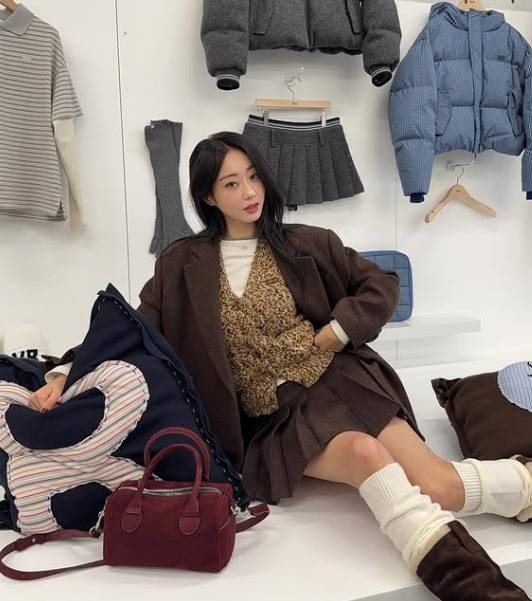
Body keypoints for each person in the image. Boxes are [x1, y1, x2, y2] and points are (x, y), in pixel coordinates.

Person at [36, 132, 531, 600]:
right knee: (364, 454)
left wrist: (341, 328)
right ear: (208, 196)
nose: (250, 192)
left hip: (340, 382)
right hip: (271, 419)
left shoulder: (306, 242)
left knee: (438, 484)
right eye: (232, 183)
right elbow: (134, 331)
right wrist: (65, 372)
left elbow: (380, 282)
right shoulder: (180, 265)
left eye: (254, 176)